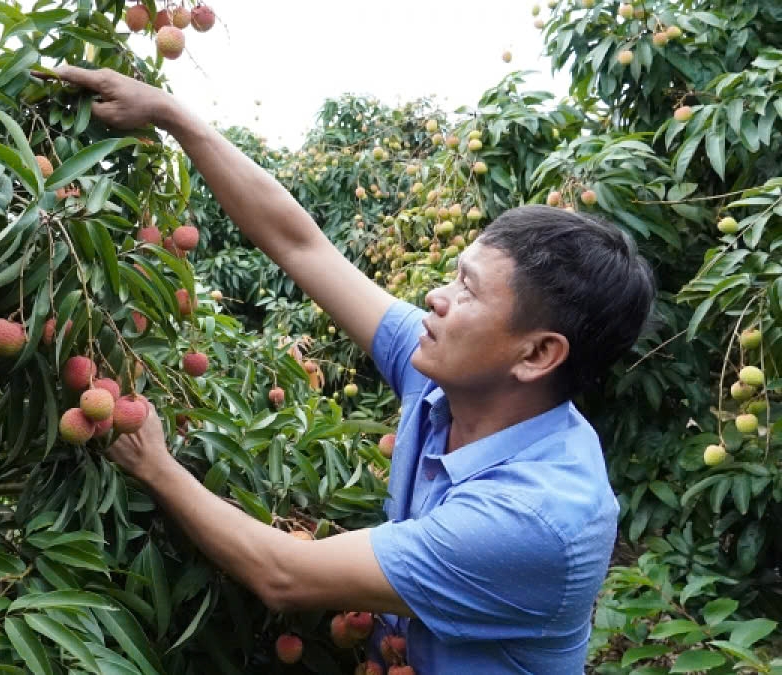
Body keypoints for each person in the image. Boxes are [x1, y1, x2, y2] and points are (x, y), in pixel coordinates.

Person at [53, 65, 656, 673]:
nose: (437, 298)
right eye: (454, 274)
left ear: (536, 355)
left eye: (468, 291)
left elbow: (282, 575)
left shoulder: (537, 520)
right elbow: (301, 245)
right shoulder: (445, 379)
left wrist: (155, 466)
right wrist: (171, 114)